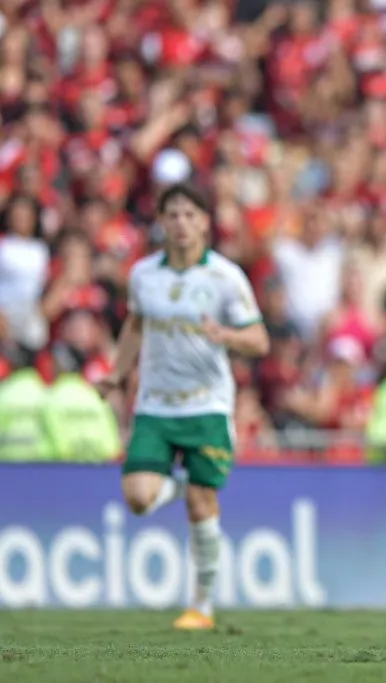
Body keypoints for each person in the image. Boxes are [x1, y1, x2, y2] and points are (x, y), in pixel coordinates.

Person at [96, 183, 270, 630]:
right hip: (154, 403)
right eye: (172, 214)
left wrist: (227, 336)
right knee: (137, 498)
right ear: (161, 221)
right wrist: (118, 373)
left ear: (205, 222)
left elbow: (260, 340)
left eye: (190, 214)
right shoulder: (143, 275)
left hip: (207, 405)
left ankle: (203, 606)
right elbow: (135, 326)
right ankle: (178, 486)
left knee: (202, 503)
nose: (181, 223)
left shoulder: (226, 277)